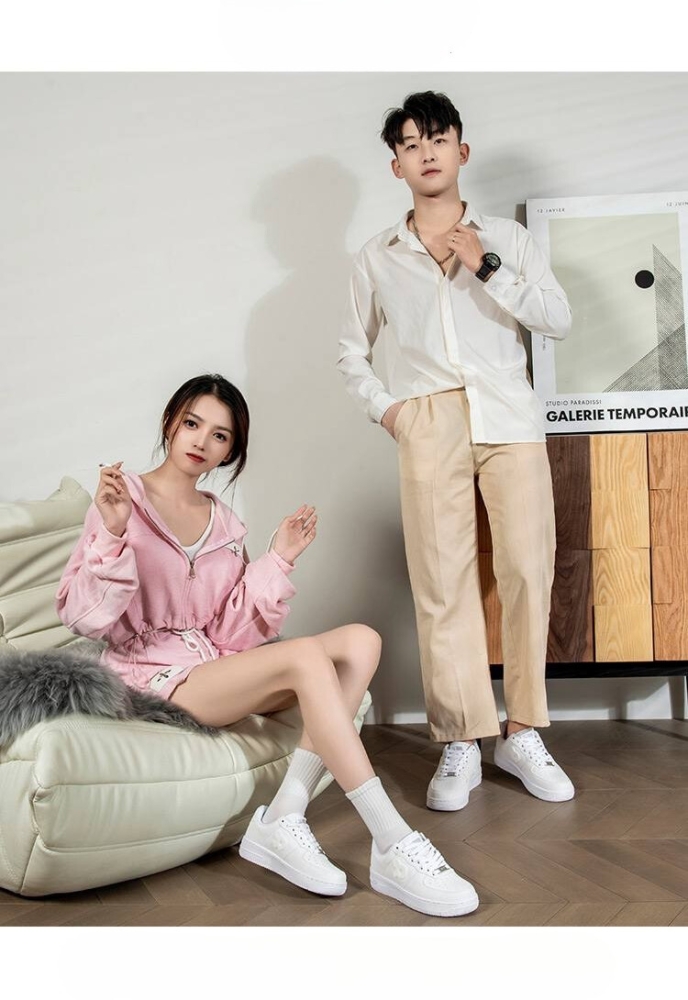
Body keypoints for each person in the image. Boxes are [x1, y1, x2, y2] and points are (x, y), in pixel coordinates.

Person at [56, 372, 479, 918]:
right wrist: (113, 533)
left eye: (220, 435)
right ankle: (392, 840)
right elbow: (84, 618)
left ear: (231, 450)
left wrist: (278, 558)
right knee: (304, 656)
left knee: (362, 641)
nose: (201, 441)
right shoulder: (120, 501)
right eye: (192, 423)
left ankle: (284, 815)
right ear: (170, 422)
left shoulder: (224, 523)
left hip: (211, 667)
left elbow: (230, 635)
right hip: (149, 677)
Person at [337, 91, 575, 813]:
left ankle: (523, 731)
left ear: (462, 151)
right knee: (442, 582)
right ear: (396, 165)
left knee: (528, 567)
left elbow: (557, 317)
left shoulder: (506, 238)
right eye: (411, 144)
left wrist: (487, 265)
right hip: (429, 419)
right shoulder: (376, 256)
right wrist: (392, 413)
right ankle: (463, 738)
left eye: (437, 139)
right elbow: (350, 352)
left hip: (508, 415)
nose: (427, 152)